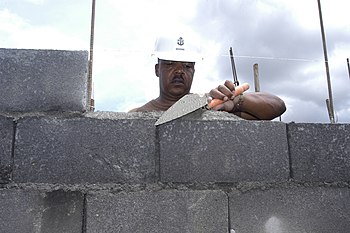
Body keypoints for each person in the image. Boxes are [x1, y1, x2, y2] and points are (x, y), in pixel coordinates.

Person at [129, 35, 286, 120]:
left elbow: (277, 106)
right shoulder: (138, 114)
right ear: (157, 70)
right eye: (170, 64)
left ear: (194, 71)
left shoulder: (210, 105)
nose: (179, 71)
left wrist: (235, 102)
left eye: (187, 66)